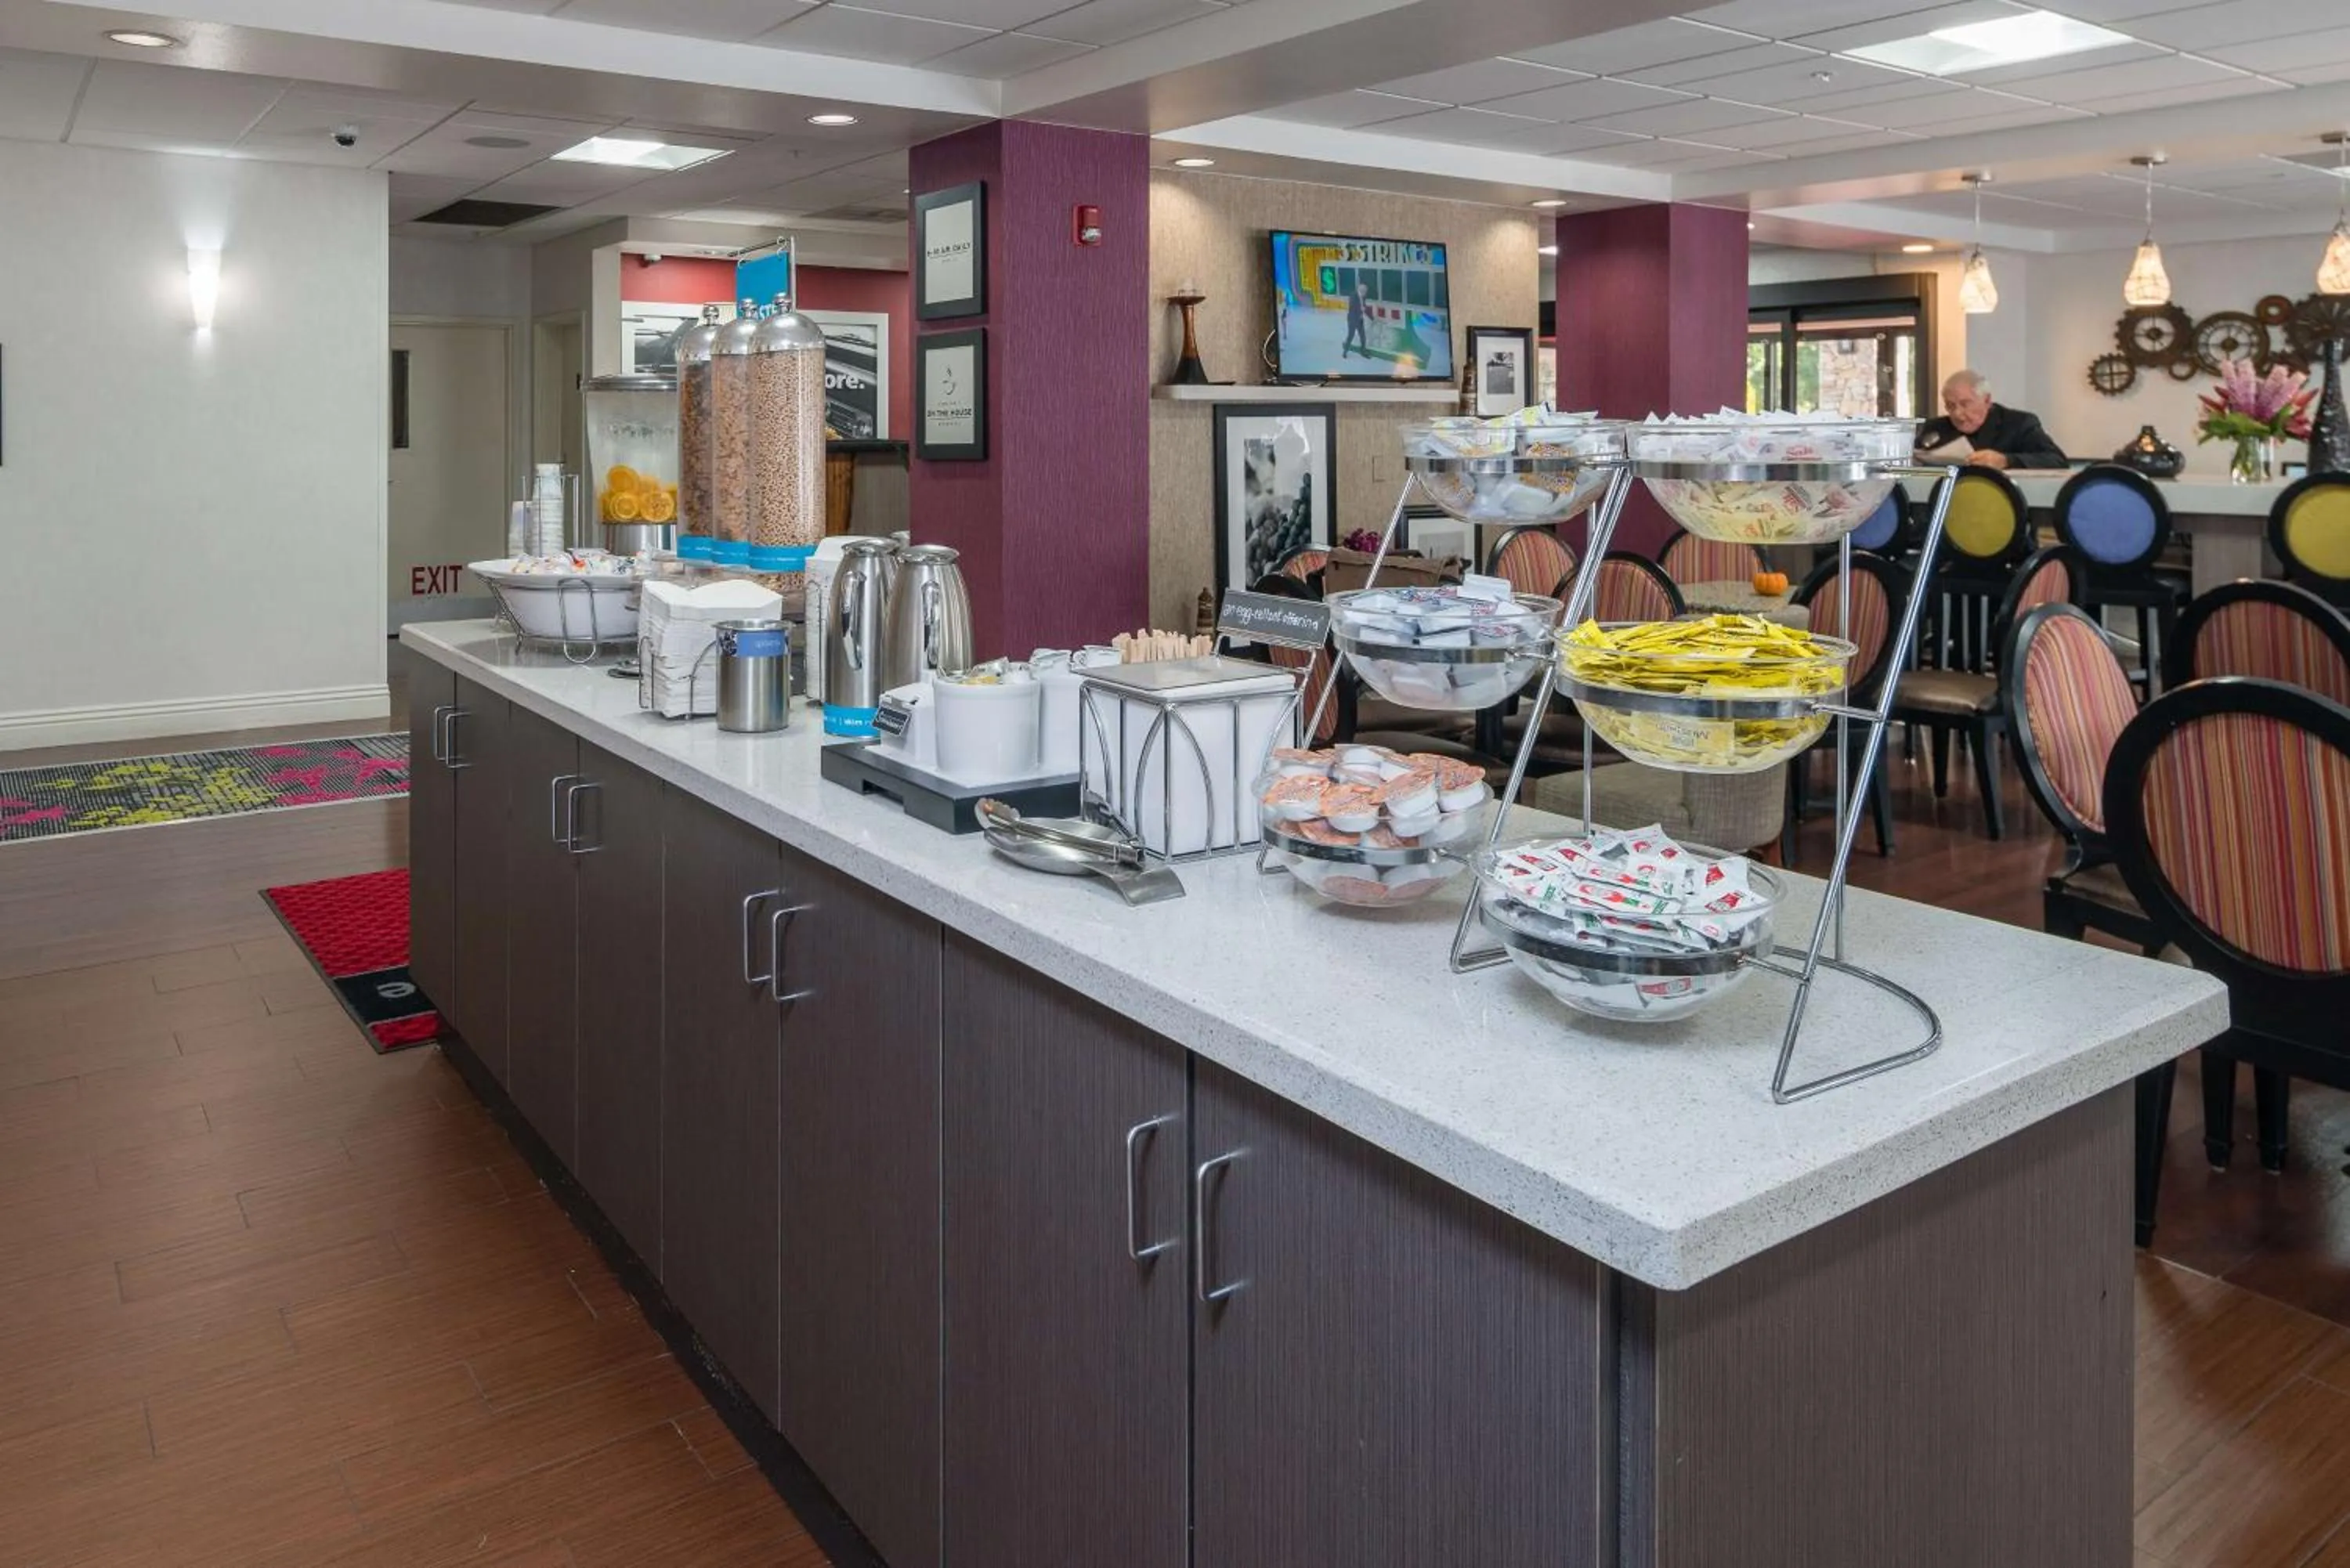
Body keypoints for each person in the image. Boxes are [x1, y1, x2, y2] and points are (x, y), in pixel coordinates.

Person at [1914, 370, 2068, 470]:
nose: (1957, 414)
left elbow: (2057, 461)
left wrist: (2006, 461)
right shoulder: (1935, 428)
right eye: (1950, 406)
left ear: (1987, 401)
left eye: (1965, 404)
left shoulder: (2019, 424)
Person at [1343, 280, 1368, 360]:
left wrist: (1365, 311)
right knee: (1351, 336)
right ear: (1360, 290)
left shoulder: (1363, 296)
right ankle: (1345, 352)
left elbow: (1364, 306)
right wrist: (1361, 309)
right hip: (1353, 319)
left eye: (1366, 292)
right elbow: (1352, 307)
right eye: (1364, 292)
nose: (1365, 293)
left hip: (1360, 319)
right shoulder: (1353, 295)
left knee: (1363, 337)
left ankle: (1363, 352)